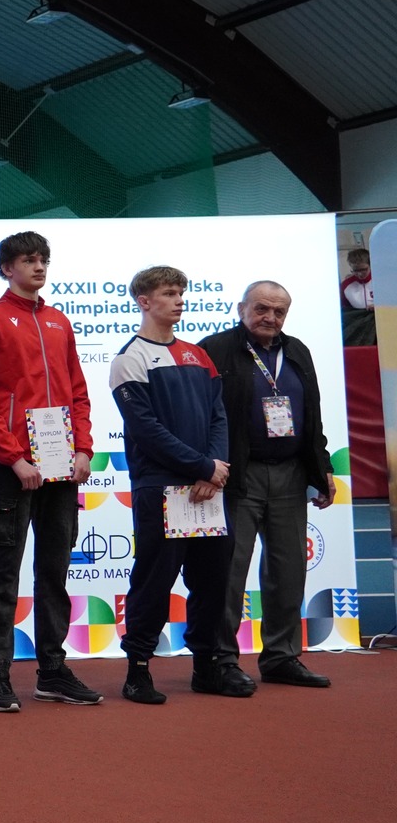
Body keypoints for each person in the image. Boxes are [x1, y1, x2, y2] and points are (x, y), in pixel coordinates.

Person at [0, 230, 101, 711]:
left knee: (54, 572)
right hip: (12, 468)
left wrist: (84, 449)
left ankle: (52, 672)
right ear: (7, 268)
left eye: (43, 259)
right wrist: (13, 456)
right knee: (3, 573)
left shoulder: (59, 321)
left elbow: (78, 392)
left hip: (62, 467)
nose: (38, 267)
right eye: (27, 260)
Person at [109, 266, 243, 704]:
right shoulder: (130, 359)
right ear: (144, 301)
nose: (179, 300)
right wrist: (202, 466)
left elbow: (218, 416)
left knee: (212, 580)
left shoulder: (198, 355)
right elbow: (146, 429)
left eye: (181, 293)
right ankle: (138, 670)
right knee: (154, 580)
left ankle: (208, 667)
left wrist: (213, 468)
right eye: (169, 293)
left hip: (207, 487)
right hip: (161, 489)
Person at [199, 281, 337, 688]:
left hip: (291, 474)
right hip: (237, 475)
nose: (270, 318)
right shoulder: (214, 349)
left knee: (288, 570)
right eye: (261, 308)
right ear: (241, 308)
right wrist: (205, 466)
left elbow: (312, 415)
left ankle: (281, 656)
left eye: (279, 312)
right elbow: (201, 414)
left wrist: (322, 468)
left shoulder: (297, 351)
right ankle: (221, 660)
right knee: (229, 571)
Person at [341, 248, 374, 347]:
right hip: (358, 325)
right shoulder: (346, 285)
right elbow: (345, 309)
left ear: (370, 265)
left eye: (363, 269)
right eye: (355, 270)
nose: (359, 274)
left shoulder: (381, 280)